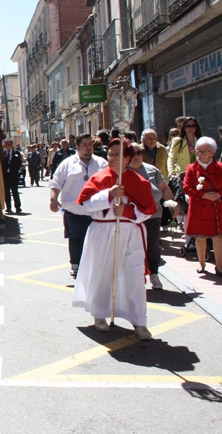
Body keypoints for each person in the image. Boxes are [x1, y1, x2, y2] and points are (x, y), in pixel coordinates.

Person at [72, 138, 157, 340]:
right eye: (110, 154)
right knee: (103, 273)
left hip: (130, 233)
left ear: (128, 158)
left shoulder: (139, 181)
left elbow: (148, 211)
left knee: (134, 276)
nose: (112, 158)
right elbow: (86, 205)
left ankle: (139, 320)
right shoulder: (99, 178)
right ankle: (100, 314)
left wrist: (127, 210)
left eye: (118, 155)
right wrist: (108, 195)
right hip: (103, 231)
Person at [49, 134, 108, 278]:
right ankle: (76, 265)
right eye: (85, 145)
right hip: (73, 210)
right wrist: (53, 199)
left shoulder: (101, 163)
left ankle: (95, 266)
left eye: (90, 145)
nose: (88, 148)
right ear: (77, 146)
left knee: (96, 240)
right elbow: (56, 182)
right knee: (75, 238)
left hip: (96, 211)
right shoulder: (67, 163)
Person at [183, 137, 222, 277]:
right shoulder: (191, 168)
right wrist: (203, 196)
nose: (200, 154)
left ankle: (220, 267)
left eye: (204, 151)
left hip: (216, 206)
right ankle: (201, 263)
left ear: (212, 152)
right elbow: (187, 187)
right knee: (200, 237)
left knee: (217, 237)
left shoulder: (220, 167)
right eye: (198, 151)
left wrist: (218, 194)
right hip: (199, 205)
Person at [128, 143, 174, 290]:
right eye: (132, 154)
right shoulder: (122, 172)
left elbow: (164, 188)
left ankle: (154, 274)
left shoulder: (152, 170)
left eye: (139, 153)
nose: (136, 157)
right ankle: (135, 276)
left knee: (153, 246)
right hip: (131, 217)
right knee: (133, 247)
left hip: (153, 215)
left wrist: (172, 203)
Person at [2, 139, 23, 213]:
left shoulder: (17, 153)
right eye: (7, 143)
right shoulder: (2, 153)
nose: (8, 144)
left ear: (12, 144)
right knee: (6, 192)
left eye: (10, 143)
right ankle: (8, 207)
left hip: (14, 175)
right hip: (5, 175)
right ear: (4, 144)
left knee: (15, 191)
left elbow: (19, 163)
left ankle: (18, 207)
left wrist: (14, 169)